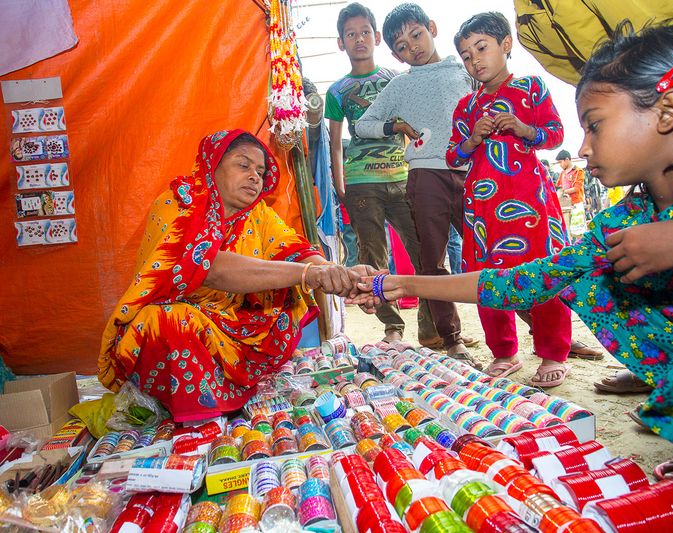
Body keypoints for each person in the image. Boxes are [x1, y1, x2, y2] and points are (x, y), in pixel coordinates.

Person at [352, 19, 673, 492]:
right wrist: (400, 283)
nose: (582, 146)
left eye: (595, 125)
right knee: (593, 277)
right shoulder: (626, 221)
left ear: (667, 110)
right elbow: (519, 281)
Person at [98, 130, 368, 421]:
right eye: (243, 165)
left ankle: (235, 391)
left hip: (231, 324)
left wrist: (340, 275)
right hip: (180, 323)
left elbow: (296, 250)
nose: (254, 176)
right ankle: (198, 415)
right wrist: (310, 273)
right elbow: (209, 269)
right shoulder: (178, 203)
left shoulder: (258, 213)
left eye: (260, 171)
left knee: (289, 292)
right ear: (213, 166)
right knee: (170, 321)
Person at [444, 11, 577, 387]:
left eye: (481, 48)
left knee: (545, 273)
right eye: (467, 56)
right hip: (482, 210)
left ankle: (554, 353)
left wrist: (524, 128)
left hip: (532, 203)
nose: (475, 60)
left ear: (506, 44)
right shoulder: (465, 108)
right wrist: (472, 140)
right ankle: (504, 351)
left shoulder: (532, 88)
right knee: (485, 278)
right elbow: (453, 156)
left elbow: (554, 134)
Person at [354, 3, 478, 365]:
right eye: (402, 46)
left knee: (489, 255)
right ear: (394, 53)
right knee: (431, 262)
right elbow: (363, 124)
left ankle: (534, 329)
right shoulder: (400, 85)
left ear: (432, 28)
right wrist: (395, 127)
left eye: (416, 35)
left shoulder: (464, 69)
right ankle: (451, 338)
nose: (413, 48)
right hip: (425, 177)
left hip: (473, 173)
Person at [325, 2, 438, 347]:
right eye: (350, 34)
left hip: (402, 177)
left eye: (364, 33)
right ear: (341, 42)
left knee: (423, 252)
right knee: (373, 259)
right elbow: (335, 141)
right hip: (361, 183)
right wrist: (340, 185)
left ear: (375, 37)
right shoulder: (337, 91)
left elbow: (412, 129)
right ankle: (392, 327)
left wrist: (416, 168)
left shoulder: (394, 78)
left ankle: (432, 328)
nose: (359, 39)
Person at [555, 149, 589, 239]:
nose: (560, 165)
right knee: (567, 230)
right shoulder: (562, 173)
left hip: (576, 203)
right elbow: (558, 186)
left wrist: (562, 192)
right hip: (565, 205)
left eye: (560, 162)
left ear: (567, 159)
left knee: (578, 231)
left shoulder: (578, 171)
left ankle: (581, 248)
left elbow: (577, 188)